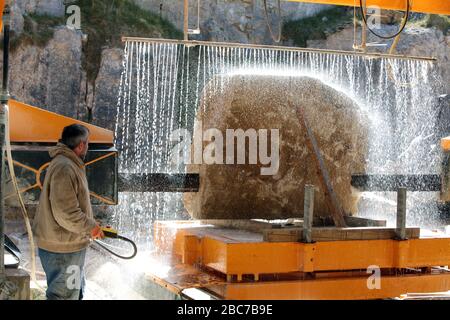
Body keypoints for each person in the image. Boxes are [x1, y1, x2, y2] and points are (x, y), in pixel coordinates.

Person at [32, 123, 104, 300]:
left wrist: (91, 227)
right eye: (87, 143)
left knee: (71, 293)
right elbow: (66, 213)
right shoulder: (65, 167)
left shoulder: (68, 163)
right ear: (80, 145)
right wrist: (91, 226)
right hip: (64, 250)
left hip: (65, 247)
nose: (87, 147)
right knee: (64, 296)